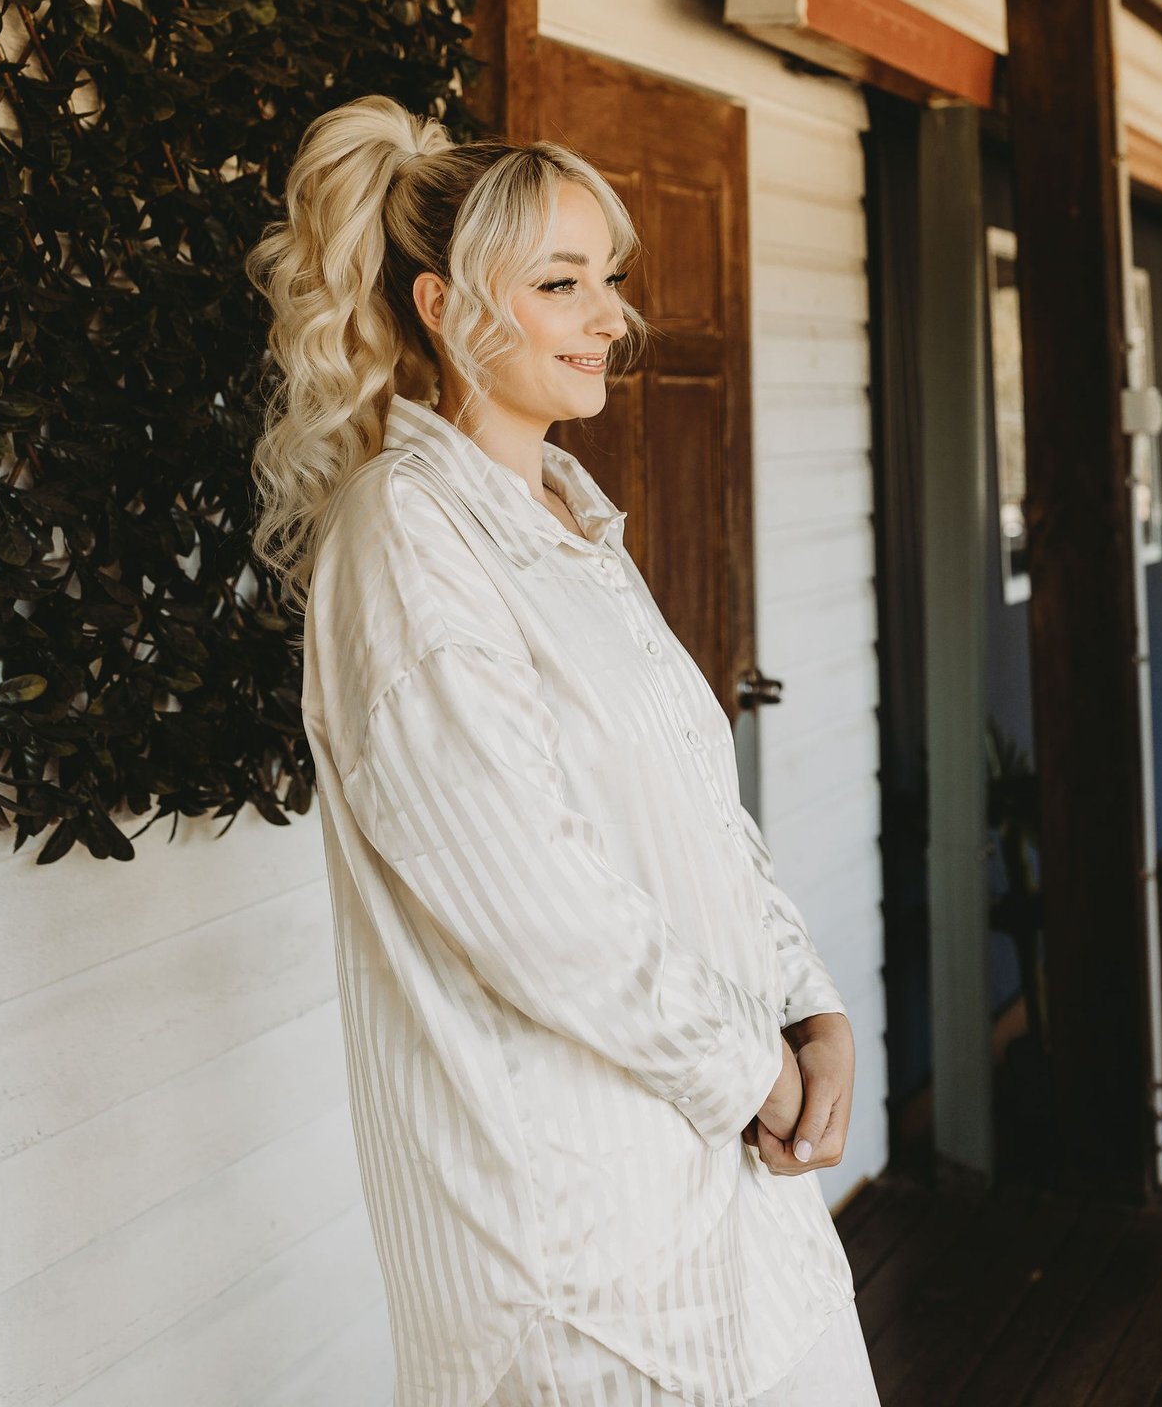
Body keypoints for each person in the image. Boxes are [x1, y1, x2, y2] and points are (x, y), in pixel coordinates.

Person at [246, 93, 881, 1407]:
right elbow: (530, 900)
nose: (613, 318)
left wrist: (803, 1001)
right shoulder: (407, 537)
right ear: (439, 306)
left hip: (730, 1200)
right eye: (561, 283)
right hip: (582, 1241)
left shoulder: (573, 523)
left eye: (610, 280)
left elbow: (701, 813)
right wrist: (751, 1065)